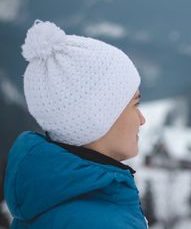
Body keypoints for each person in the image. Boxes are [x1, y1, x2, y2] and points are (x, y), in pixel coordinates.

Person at [3, 20, 148, 228]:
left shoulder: (47, 202)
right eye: (135, 104)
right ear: (99, 115)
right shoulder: (103, 223)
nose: (142, 119)